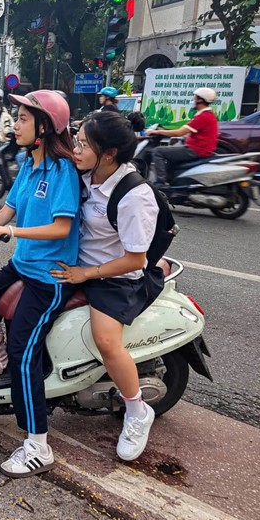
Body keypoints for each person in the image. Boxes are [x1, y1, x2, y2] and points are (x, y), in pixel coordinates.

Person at [0, 89, 80, 478]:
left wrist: (11, 232)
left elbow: (61, 227)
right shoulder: (27, 164)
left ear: (44, 126)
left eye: (22, 118)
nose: (15, 123)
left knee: (23, 348)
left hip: (49, 278)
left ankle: (38, 443)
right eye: (16, 116)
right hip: (23, 265)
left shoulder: (61, 170)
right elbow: (9, 208)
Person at [50, 111, 158, 462]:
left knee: (107, 341)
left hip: (114, 278)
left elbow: (135, 260)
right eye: (76, 141)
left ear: (109, 153)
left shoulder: (134, 195)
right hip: (77, 264)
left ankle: (137, 410)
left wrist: (86, 274)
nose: (76, 149)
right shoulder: (87, 174)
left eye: (83, 144)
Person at [150, 87, 219, 187]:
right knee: (171, 153)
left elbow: (179, 132)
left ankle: (160, 182)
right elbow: (188, 131)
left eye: (194, 98)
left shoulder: (203, 116)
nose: (193, 100)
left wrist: (158, 131)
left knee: (158, 151)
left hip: (196, 150)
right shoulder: (207, 115)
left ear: (200, 99)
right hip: (200, 149)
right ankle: (171, 181)